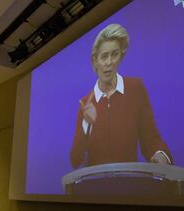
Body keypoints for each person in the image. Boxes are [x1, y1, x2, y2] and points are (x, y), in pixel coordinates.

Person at [70, 24, 173, 169]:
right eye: (104, 56)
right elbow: (75, 160)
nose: (109, 62)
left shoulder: (135, 88)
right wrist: (86, 124)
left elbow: (150, 138)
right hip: (95, 187)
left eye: (115, 54)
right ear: (95, 61)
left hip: (129, 185)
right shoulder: (86, 104)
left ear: (121, 56)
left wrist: (159, 154)